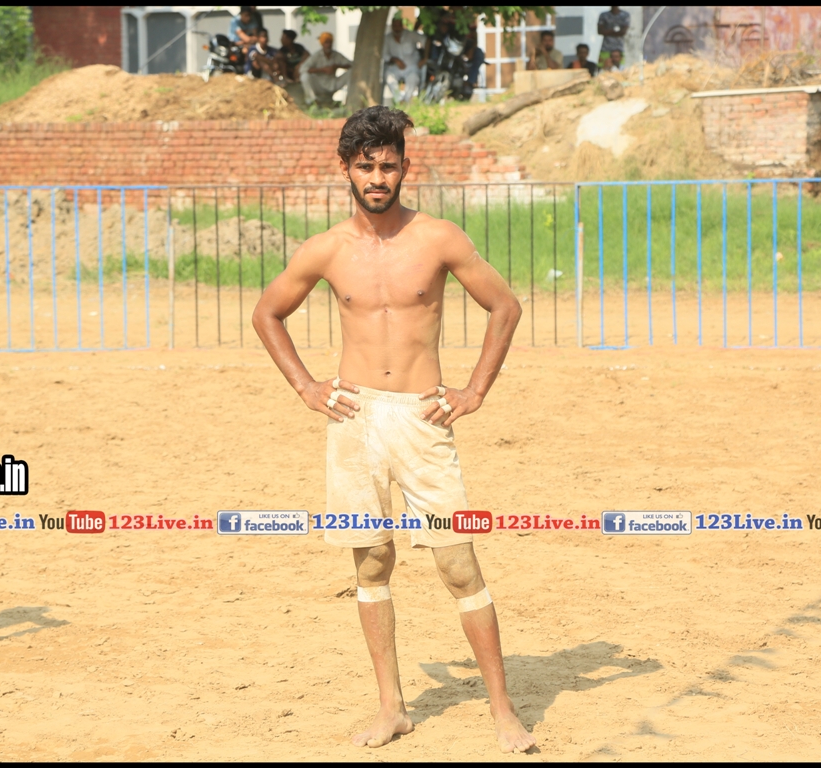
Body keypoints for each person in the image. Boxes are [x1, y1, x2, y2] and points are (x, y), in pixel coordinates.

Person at [251, 106, 534, 754]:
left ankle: (503, 712)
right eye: (366, 166)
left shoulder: (438, 238)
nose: (377, 177)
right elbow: (267, 313)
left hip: (421, 418)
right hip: (354, 420)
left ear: (405, 167)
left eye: (388, 165)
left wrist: (475, 390)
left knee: (457, 563)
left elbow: (505, 306)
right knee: (372, 561)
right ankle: (393, 709)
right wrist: (306, 387)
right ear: (345, 169)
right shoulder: (325, 249)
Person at [300, 32, 351, 106]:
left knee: (351, 72)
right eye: (326, 43)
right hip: (319, 86)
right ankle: (312, 101)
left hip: (333, 84)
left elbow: (352, 65)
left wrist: (336, 66)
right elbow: (302, 69)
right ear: (322, 44)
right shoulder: (316, 56)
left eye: (330, 42)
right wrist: (322, 70)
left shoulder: (336, 55)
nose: (329, 45)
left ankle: (348, 100)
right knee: (304, 76)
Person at [384, 15, 423, 105]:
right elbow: (384, 55)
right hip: (395, 68)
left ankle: (406, 100)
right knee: (389, 77)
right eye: (395, 26)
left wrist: (425, 58)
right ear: (392, 26)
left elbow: (426, 40)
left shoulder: (411, 35)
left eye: (399, 25)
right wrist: (395, 59)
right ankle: (399, 100)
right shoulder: (387, 38)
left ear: (402, 25)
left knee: (413, 78)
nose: (397, 28)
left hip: (411, 67)